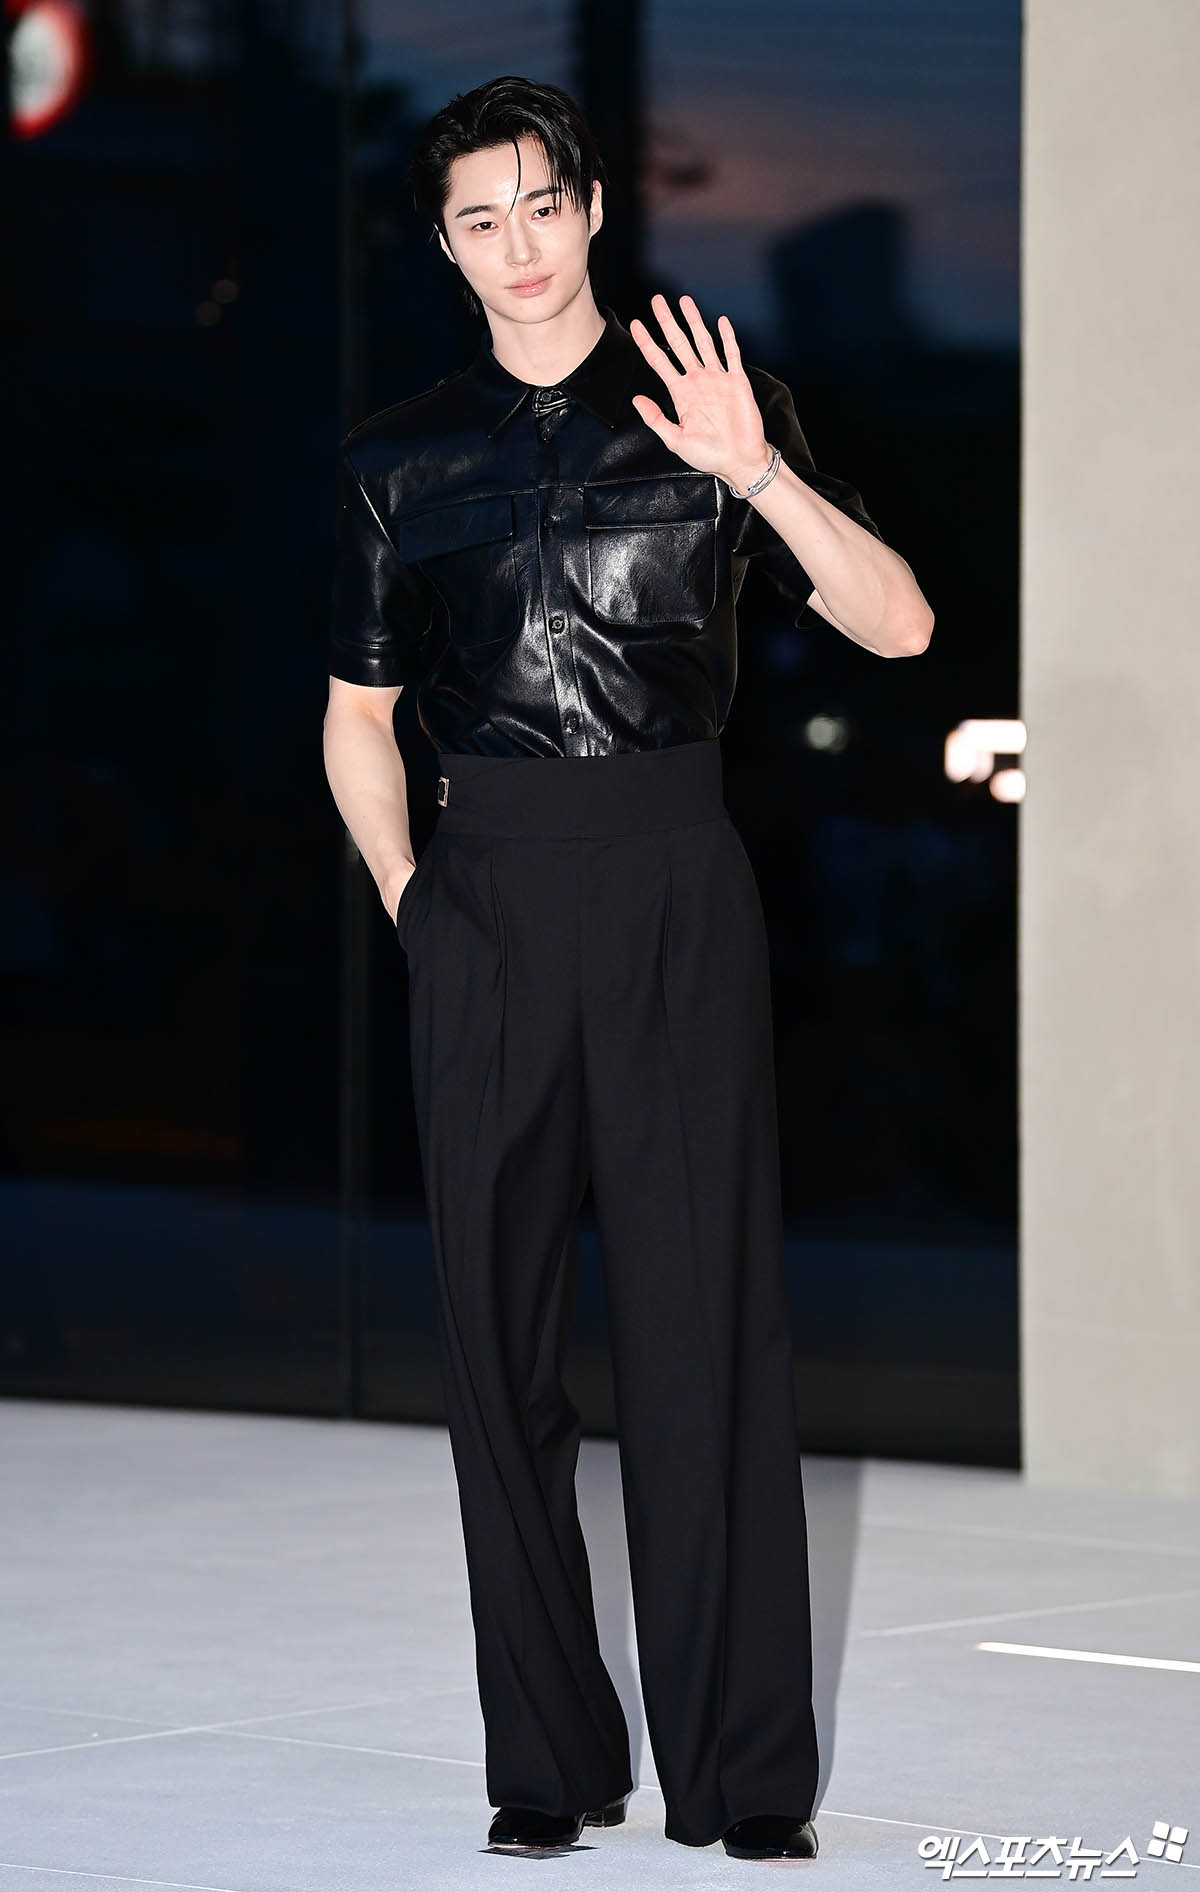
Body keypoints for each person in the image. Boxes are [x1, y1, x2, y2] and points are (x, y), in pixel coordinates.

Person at [322, 73, 932, 1863]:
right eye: (478, 219)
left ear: (592, 208)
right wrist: (416, 904)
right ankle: (548, 1759)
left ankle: (742, 1778)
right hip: (487, 903)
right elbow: (357, 721)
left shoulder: (714, 407)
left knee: (703, 1338)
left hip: (676, 884)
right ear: (447, 248)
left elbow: (899, 625)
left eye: (541, 204)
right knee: (495, 1351)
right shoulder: (395, 461)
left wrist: (759, 475)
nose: (516, 246)